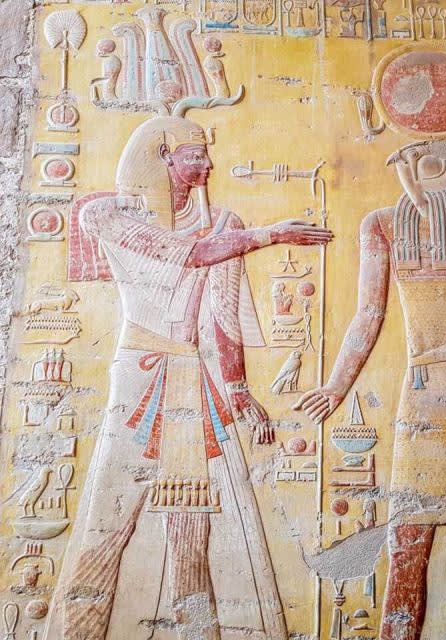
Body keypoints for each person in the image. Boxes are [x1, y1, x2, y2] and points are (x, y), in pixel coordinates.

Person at [48, 113, 331, 640]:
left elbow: (223, 312)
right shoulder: (107, 215)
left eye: (206, 153)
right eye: (195, 155)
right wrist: (272, 235)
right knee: (109, 520)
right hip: (138, 372)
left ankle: (198, 631)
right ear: (163, 157)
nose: (208, 164)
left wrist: (239, 389)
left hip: (194, 379)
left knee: (191, 530)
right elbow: (189, 256)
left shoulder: (224, 223)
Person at [295, 140, 446, 640]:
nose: (410, 175)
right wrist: (336, 386)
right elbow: (369, 315)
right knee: (410, 542)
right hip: (430, 390)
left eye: (422, 165)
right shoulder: (384, 225)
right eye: (408, 165)